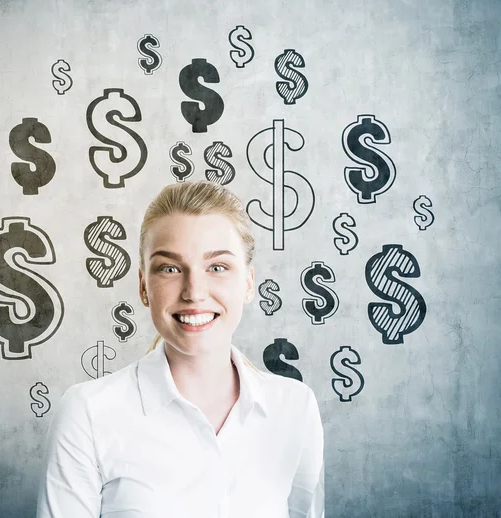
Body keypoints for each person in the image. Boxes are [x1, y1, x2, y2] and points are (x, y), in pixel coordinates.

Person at [36, 179, 324, 518]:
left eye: (217, 267)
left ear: (248, 283)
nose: (194, 292)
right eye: (170, 268)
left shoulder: (295, 408)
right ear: (144, 286)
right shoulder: (88, 413)